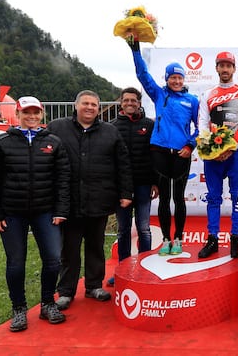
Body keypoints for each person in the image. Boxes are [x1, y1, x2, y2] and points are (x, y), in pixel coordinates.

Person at [0, 96, 71, 331]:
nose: (31, 117)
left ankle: (47, 303)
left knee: (52, 260)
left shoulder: (53, 142)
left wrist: (61, 209)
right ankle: (19, 309)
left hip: (45, 211)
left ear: (41, 114)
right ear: (17, 115)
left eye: (36, 113)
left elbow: (63, 180)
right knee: (16, 263)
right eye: (26, 113)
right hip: (12, 213)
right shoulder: (1, 143)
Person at [48, 90, 133, 310]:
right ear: (76, 106)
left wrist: (125, 193)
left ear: (98, 108)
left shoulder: (110, 132)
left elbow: (122, 165)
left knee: (96, 246)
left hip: (100, 200)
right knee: (70, 249)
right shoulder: (57, 128)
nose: (89, 108)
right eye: (85, 103)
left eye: (94, 105)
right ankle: (66, 291)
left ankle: (94, 286)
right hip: (70, 203)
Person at [129, 39, 199, 256]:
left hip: (181, 154)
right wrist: (135, 50)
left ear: (183, 79)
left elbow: (200, 127)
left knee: (178, 198)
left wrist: (190, 145)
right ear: (167, 79)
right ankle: (166, 239)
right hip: (159, 151)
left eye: (179, 77)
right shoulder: (159, 94)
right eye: (172, 77)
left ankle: (178, 238)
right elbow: (142, 75)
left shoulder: (192, 100)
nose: (176, 81)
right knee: (164, 198)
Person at [197, 51, 238, 259]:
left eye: (229, 65)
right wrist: (211, 149)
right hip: (213, 154)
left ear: (234, 69)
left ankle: (235, 240)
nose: (225, 69)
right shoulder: (207, 94)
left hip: (236, 153)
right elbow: (202, 123)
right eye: (222, 65)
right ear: (217, 68)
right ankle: (212, 239)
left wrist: (230, 147)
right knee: (213, 197)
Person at [107, 87, 159, 286]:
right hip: (121, 188)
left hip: (144, 184)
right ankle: (123, 270)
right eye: (126, 100)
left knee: (144, 229)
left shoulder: (149, 125)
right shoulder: (111, 127)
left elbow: (154, 156)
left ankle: (145, 270)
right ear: (121, 102)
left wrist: (156, 181)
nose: (130, 103)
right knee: (123, 230)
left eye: (133, 100)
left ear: (139, 103)